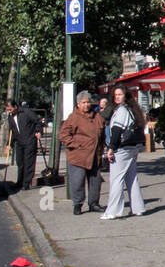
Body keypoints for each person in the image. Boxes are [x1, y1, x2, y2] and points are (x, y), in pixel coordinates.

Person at [99, 85, 147, 220]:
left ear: (125, 95)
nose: (117, 97)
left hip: (122, 148)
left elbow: (116, 131)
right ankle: (138, 207)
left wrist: (111, 148)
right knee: (131, 177)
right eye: (115, 95)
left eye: (120, 94)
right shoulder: (133, 110)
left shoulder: (121, 110)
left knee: (116, 179)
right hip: (133, 147)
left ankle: (113, 211)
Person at [59, 90, 105, 215]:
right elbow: (63, 134)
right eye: (84, 102)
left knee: (95, 181)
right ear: (78, 104)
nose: (87, 105)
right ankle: (78, 204)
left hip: (95, 155)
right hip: (78, 156)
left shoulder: (97, 117)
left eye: (88, 102)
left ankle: (94, 203)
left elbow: (102, 134)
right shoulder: (73, 118)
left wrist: (104, 149)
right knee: (77, 181)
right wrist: (75, 145)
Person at [4, 100, 41, 194]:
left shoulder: (26, 112)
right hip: (19, 142)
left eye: (11, 109)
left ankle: (26, 183)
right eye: (8, 110)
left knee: (28, 162)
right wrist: (9, 144)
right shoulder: (10, 117)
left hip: (29, 140)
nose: (10, 111)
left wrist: (38, 131)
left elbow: (37, 121)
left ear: (15, 106)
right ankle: (19, 182)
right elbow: (12, 132)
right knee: (20, 162)